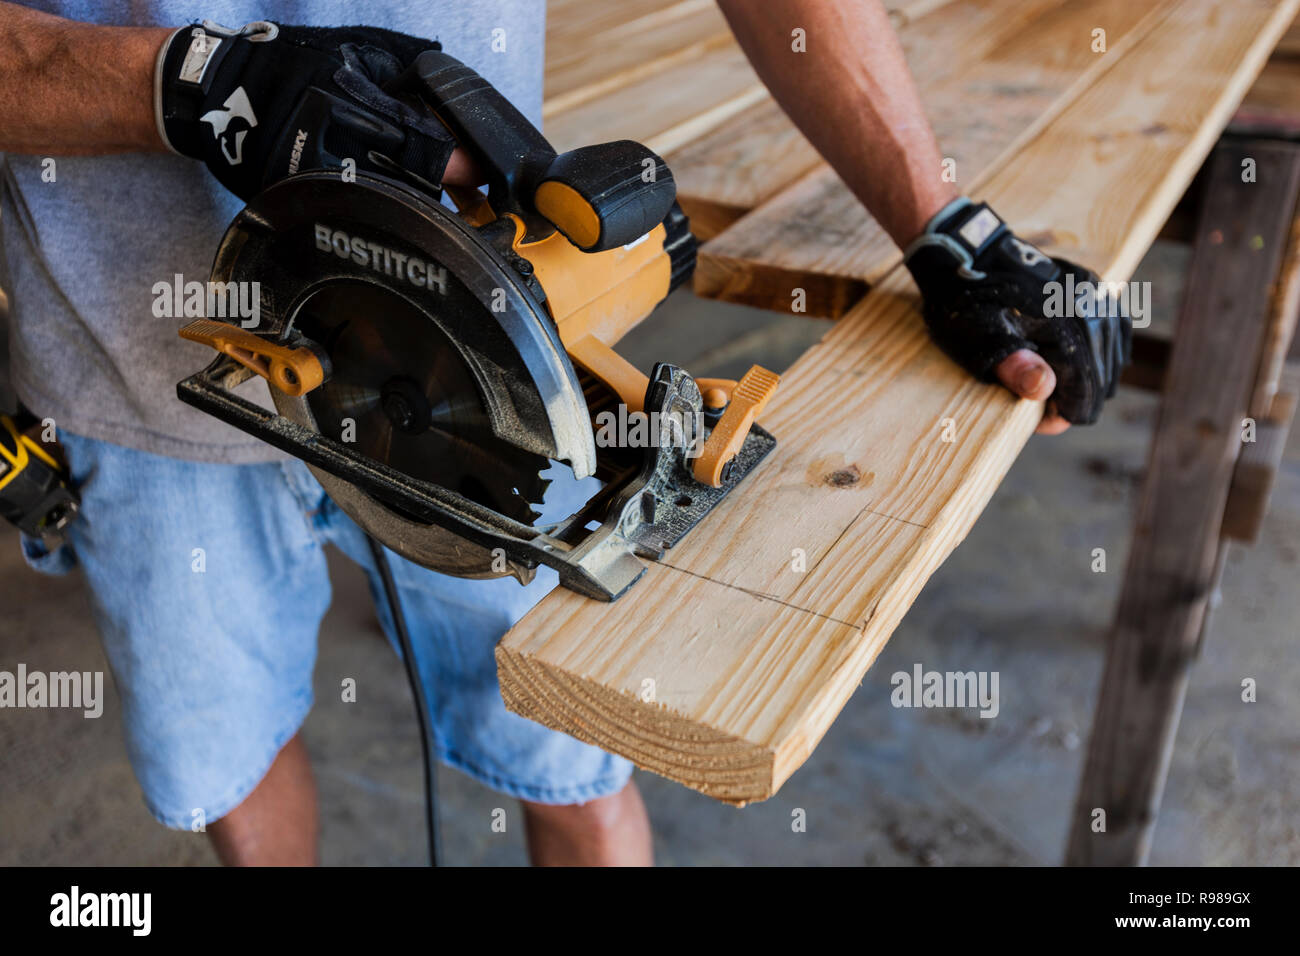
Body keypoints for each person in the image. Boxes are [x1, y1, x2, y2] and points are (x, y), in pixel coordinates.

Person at [0, 0, 1127, 866]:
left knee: (576, 759)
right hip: (124, 353)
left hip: (491, 371)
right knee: (234, 771)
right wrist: (182, 81)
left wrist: (941, 222)